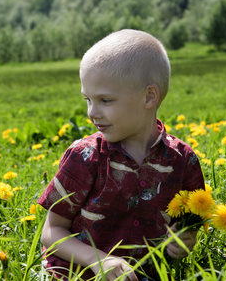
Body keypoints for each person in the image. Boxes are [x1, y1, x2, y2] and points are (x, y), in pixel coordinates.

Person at [38, 29, 205, 281]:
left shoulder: (183, 160)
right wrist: (97, 260)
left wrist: (184, 240)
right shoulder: (85, 156)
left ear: (149, 97)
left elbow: (189, 223)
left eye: (105, 100)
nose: (92, 112)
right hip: (75, 274)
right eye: (88, 99)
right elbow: (51, 231)